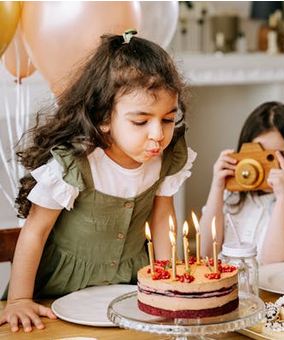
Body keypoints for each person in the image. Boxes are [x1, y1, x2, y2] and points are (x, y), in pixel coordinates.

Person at [0, 31, 196, 332]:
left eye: (168, 119)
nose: (158, 134)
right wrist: (18, 300)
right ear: (104, 117)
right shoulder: (73, 165)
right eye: (141, 121)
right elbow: (35, 232)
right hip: (59, 292)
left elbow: (161, 219)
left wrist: (166, 279)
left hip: (128, 288)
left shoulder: (165, 160)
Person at [200, 102, 284, 265]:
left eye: (280, 156)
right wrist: (217, 187)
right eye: (259, 156)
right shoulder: (232, 196)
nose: (268, 168)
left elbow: (271, 261)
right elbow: (206, 252)